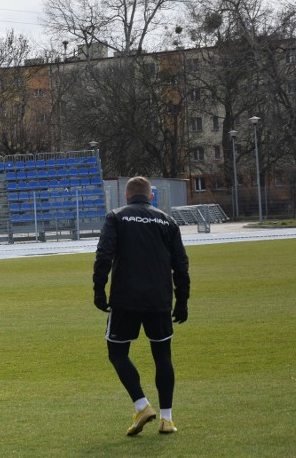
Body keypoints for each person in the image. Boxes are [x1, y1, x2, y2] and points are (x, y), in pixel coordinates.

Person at [92, 176, 190, 436]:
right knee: (162, 356)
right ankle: (167, 419)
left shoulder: (116, 216)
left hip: (125, 299)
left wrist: (99, 290)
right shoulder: (167, 221)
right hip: (159, 300)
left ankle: (142, 405)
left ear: (126, 196)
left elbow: (104, 255)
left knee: (117, 354)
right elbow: (181, 264)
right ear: (151, 197)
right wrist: (182, 300)